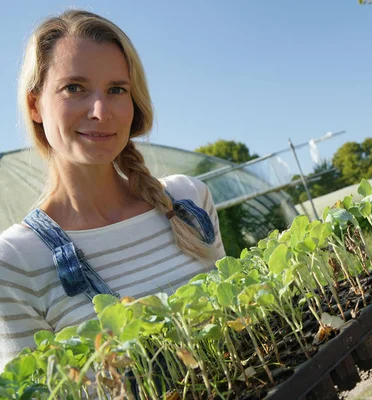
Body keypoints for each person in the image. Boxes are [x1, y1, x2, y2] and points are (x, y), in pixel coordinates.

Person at [0, 9, 226, 370]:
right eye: (74, 88)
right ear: (34, 105)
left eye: (117, 89)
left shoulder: (187, 201)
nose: (101, 111)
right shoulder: (14, 262)